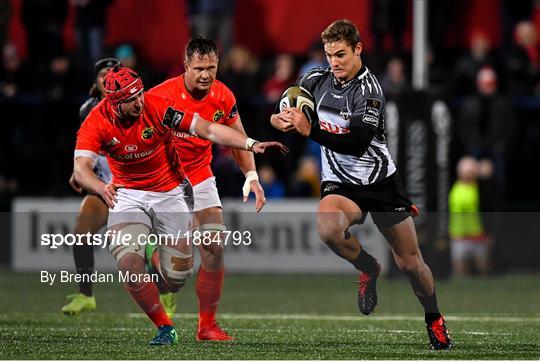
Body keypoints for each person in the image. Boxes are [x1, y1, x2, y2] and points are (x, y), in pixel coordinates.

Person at [270, 19, 452, 350]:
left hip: (380, 183)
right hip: (339, 183)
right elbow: (281, 109)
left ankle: (434, 318)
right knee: (328, 229)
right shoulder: (314, 78)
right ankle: (368, 266)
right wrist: (281, 120)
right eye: (329, 55)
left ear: (358, 49)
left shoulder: (370, 91)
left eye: (340, 54)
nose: (334, 62)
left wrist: (309, 131)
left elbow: (357, 142)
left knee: (411, 263)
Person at [74, 65, 286, 345]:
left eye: (139, 95)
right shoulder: (96, 120)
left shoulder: (157, 106)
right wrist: (101, 186)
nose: (139, 102)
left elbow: (208, 129)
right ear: (114, 103)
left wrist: (249, 143)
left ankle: (154, 257)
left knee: (175, 277)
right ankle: (165, 327)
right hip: (127, 193)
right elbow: (81, 169)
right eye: (131, 100)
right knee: (127, 261)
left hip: (170, 192)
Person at [148, 35, 267, 341]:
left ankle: (207, 326)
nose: (205, 75)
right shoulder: (159, 96)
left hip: (199, 175)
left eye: (211, 68)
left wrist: (251, 176)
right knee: (175, 276)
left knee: (214, 245)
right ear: (185, 65)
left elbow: (238, 138)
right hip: (164, 178)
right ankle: (154, 258)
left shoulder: (223, 96)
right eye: (199, 68)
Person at [62, 57, 120, 315]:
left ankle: (165, 297)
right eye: (103, 75)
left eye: (114, 74)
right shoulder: (88, 110)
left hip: (134, 189)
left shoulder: (139, 105)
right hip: (103, 188)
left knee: (142, 250)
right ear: (95, 84)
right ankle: (86, 295)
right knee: (81, 229)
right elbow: (87, 148)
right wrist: (80, 171)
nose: (108, 79)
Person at [449, 156, 491, 277]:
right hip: (458, 236)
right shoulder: (454, 187)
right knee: (461, 273)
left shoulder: (480, 188)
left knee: (483, 270)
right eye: (466, 172)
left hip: (477, 235)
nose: (469, 175)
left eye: (472, 172)